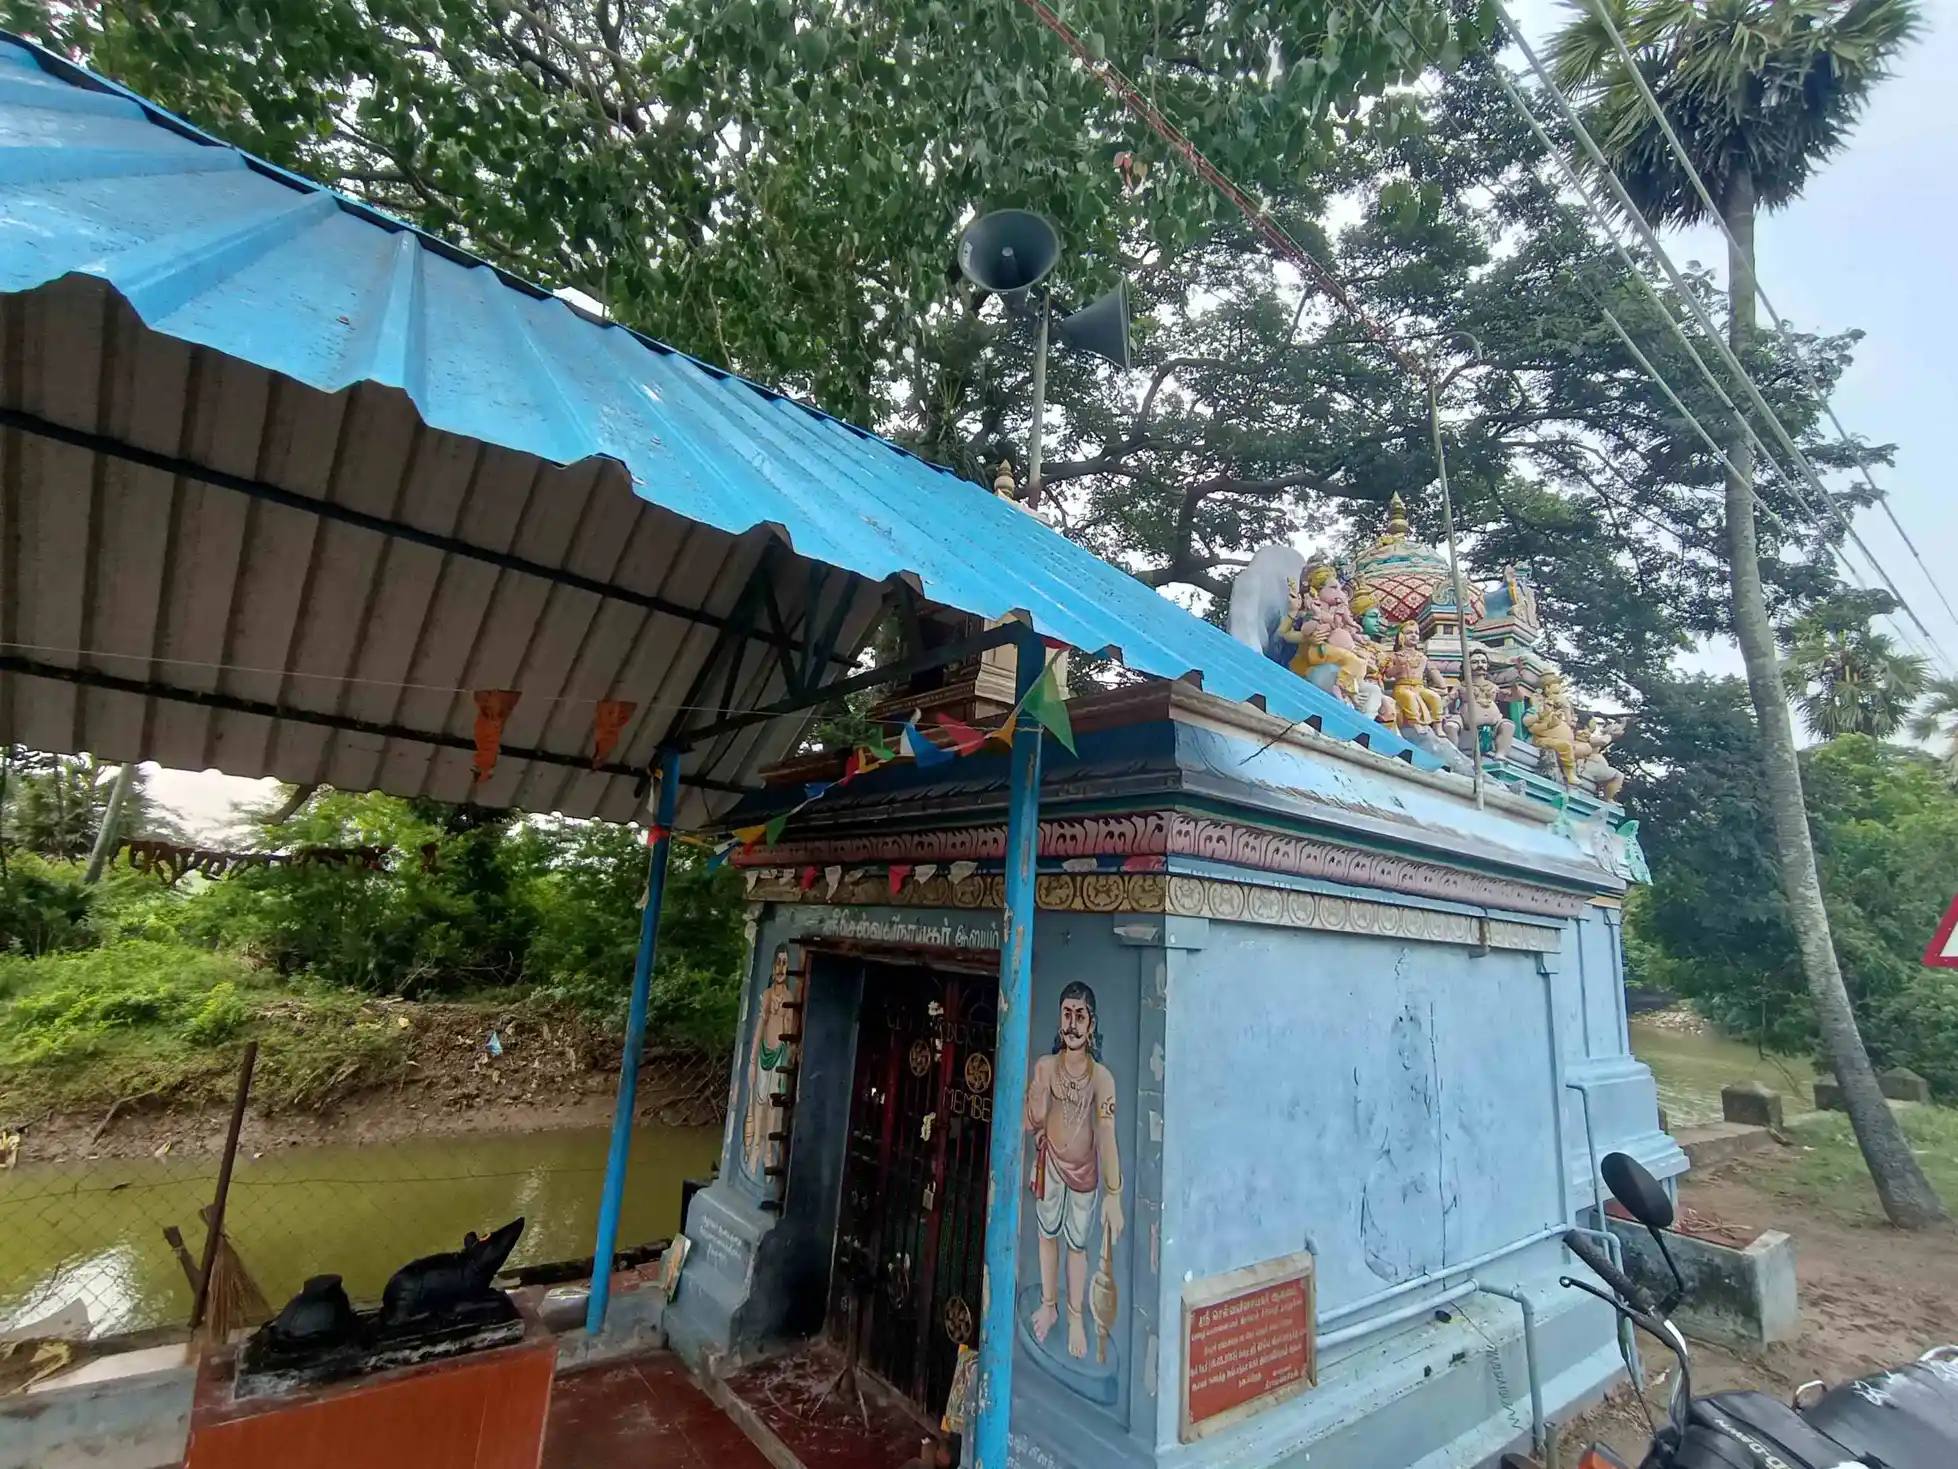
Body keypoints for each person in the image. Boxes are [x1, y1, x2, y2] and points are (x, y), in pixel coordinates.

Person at [1024, 982, 1124, 1360]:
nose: (1072, 1024)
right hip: (1050, 1163)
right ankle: (1049, 1305)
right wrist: (1036, 1099)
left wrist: (1114, 1193)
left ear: (1091, 1024)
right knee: (1046, 1234)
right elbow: (1032, 1120)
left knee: (1077, 1245)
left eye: (1080, 1016)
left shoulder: (1102, 1079)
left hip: (1085, 1173)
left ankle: (1076, 1317)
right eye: (1067, 1014)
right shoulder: (1047, 1067)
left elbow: (1108, 1136)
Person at [742, 946, 797, 1179]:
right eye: (778, 963)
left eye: (785, 963)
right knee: (759, 1103)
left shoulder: (789, 998)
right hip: (764, 1052)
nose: (781, 968)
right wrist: (752, 1060)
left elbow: (791, 1033)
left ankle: (767, 1152)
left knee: (774, 1106)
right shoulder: (766, 995)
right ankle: (755, 1147)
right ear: (773, 966)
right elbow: (759, 1028)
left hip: (780, 1056)